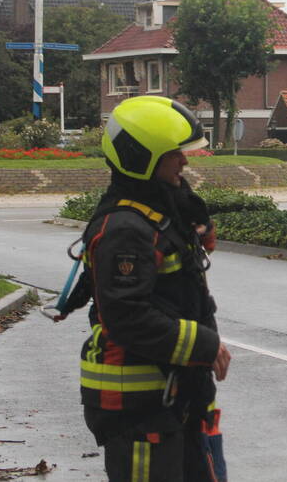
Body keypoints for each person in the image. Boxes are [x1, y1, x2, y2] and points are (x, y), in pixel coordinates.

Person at [78, 95, 230, 482]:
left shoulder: (157, 213)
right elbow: (128, 317)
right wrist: (205, 344)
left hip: (174, 400)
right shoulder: (126, 231)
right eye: (174, 154)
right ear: (141, 158)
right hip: (142, 410)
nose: (185, 161)